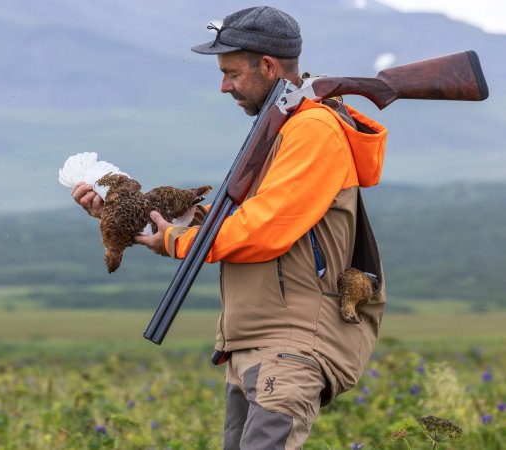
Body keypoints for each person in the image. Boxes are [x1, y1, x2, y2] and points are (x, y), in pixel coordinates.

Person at [72, 6, 388, 449]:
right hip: (252, 345)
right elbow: (242, 221)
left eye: (231, 73)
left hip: (290, 345)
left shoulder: (313, 129)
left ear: (268, 66)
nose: (224, 86)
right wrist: (127, 216)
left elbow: (262, 231)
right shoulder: (283, 127)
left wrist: (176, 240)